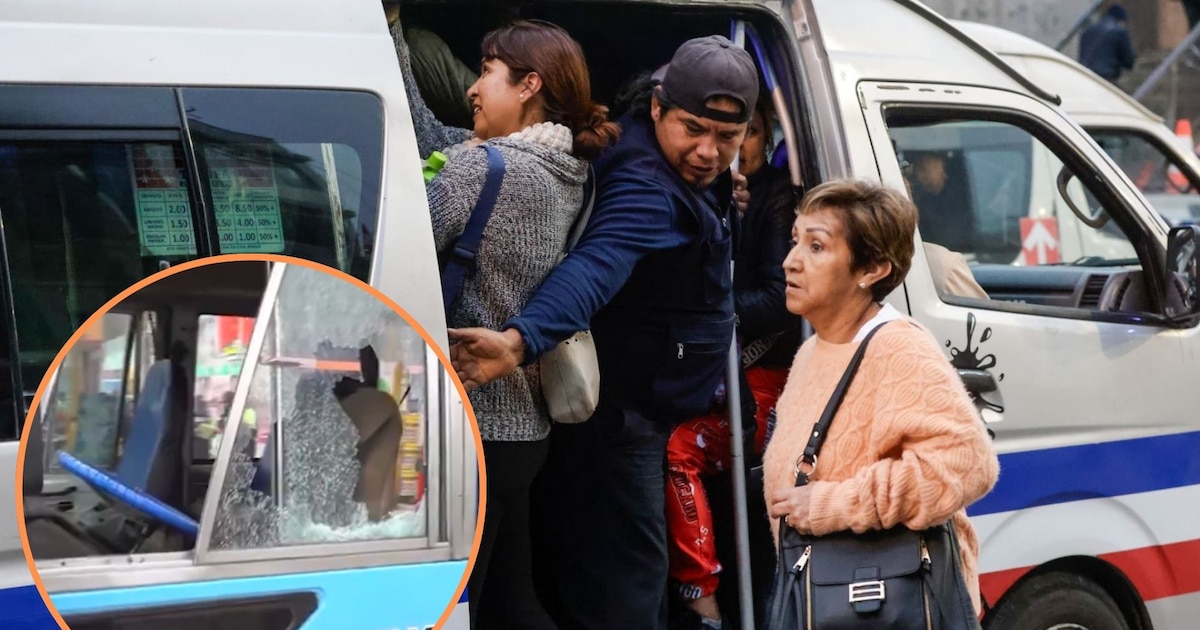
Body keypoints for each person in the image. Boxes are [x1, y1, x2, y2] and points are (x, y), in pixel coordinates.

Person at [449, 36, 760, 630]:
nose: (708, 151)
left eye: (728, 139)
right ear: (656, 109)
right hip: (621, 419)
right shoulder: (646, 186)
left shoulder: (678, 162)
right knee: (629, 584)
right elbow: (596, 265)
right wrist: (519, 342)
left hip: (633, 411)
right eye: (693, 129)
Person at [390, 13, 620, 630]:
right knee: (512, 600)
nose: (473, 85)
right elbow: (433, 133)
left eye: (487, 71)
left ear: (527, 85)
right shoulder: (570, 172)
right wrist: (395, 38)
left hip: (467, 421)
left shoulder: (482, 170)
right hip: (522, 430)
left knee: (455, 606)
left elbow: (386, 249)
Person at [762, 179, 1000, 616]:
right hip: (825, 603)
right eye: (795, 241)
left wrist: (832, 504)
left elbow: (968, 464)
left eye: (816, 247)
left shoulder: (898, 348)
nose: (790, 262)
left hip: (887, 609)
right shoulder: (813, 349)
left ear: (871, 270)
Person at [663, 95, 799, 630]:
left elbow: (776, 299)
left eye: (751, 133)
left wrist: (706, 317)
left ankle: (702, 595)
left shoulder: (778, 202)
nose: (736, 148)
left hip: (767, 374)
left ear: (767, 140)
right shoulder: (711, 194)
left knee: (680, 447)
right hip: (722, 366)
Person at [1079, 5, 1136, 84]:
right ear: (1121, 20)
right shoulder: (1119, 32)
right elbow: (1128, 61)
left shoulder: (1087, 30)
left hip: (1083, 75)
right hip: (1105, 78)